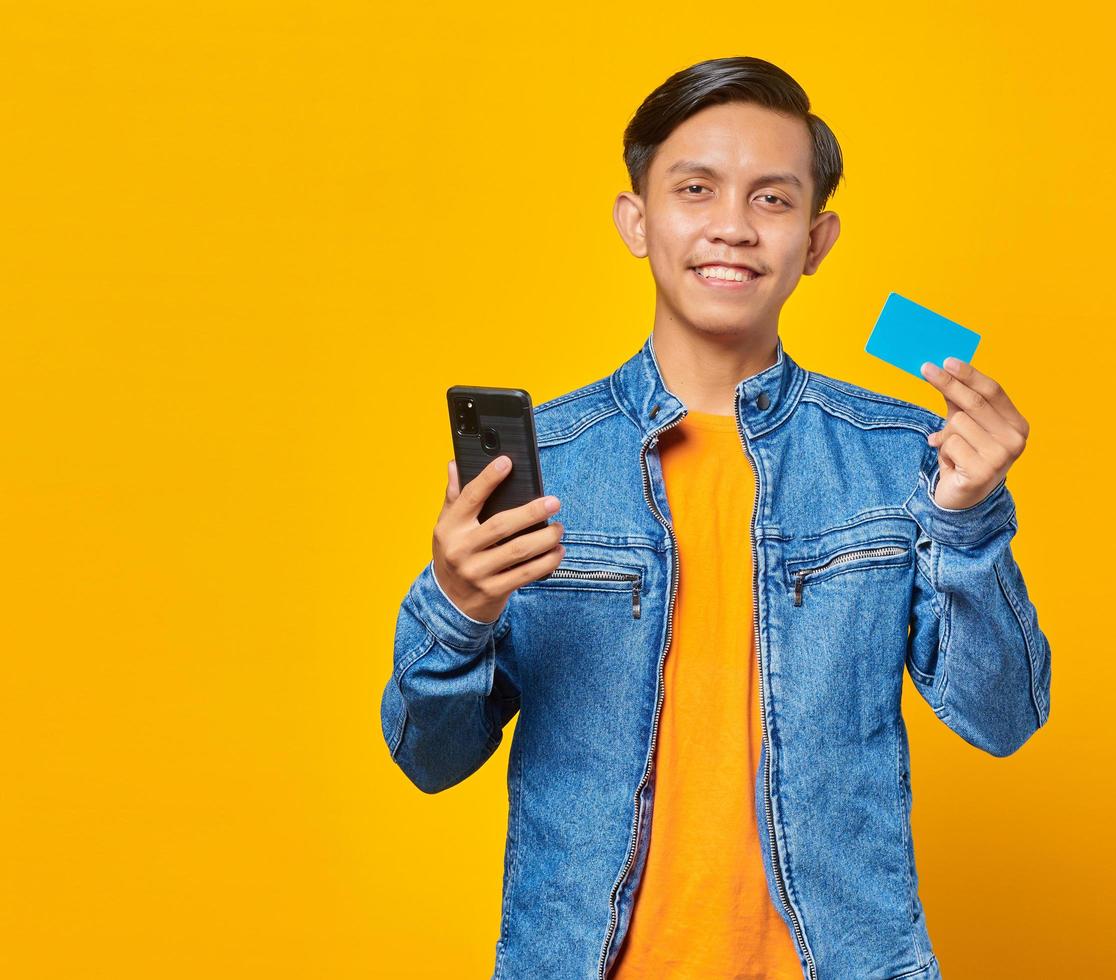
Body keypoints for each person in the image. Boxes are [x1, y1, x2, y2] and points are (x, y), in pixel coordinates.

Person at [381, 55, 1052, 980]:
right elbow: (428, 757)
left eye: (772, 200)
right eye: (696, 189)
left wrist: (971, 523)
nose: (732, 227)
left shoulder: (901, 453)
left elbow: (1004, 717)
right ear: (637, 220)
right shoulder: (544, 460)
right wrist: (458, 606)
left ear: (816, 241)